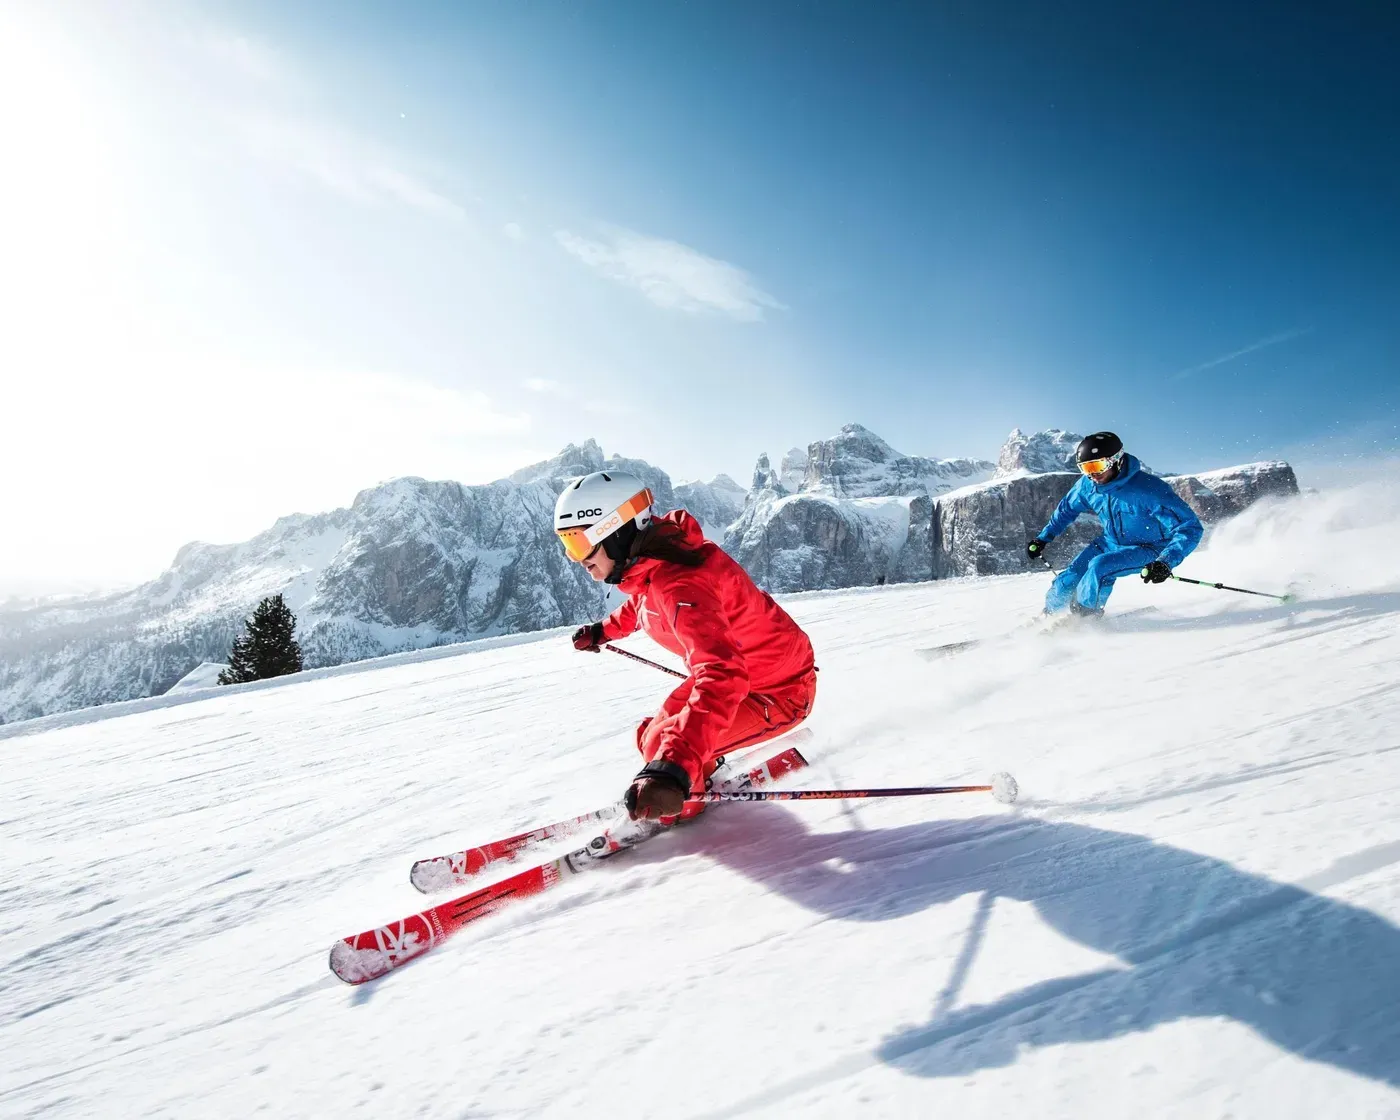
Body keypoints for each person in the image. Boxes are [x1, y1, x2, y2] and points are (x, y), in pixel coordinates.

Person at [555, 470, 817, 822]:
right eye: (568, 545)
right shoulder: (654, 564)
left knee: (662, 746)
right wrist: (603, 631)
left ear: (615, 532)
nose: (578, 559)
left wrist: (672, 770)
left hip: (778, 691)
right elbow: (643, 604)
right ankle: (694, 776)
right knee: (651, 738)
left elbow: (723, 674)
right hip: (745, 677)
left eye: (578, 544)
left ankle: (685, 802)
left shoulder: (682, 585)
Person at [1026, 432, 1203, 617]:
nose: (1092, 474)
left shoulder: (1148, 489)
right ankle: (1049, 615)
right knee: (1067, 581)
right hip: (1109, 542)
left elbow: (1189, 527)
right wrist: (1043, 538)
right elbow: (1066, 510)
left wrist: (1165, 561)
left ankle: (1085, 618)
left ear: (1116, 460)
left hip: (1150, 548)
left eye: (1097, 466)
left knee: (1100, 567)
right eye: (1085, 468)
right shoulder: (1087, 485)